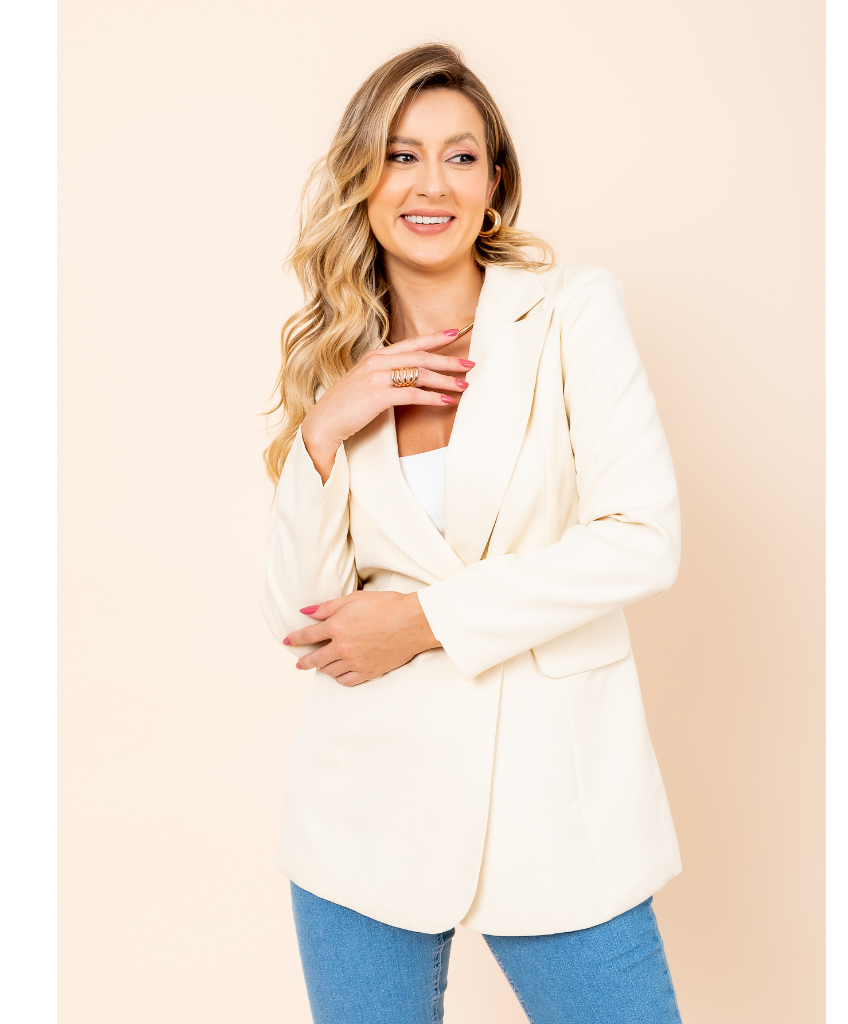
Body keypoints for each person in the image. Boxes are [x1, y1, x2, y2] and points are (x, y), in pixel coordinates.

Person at [262, 42, 684, 1024]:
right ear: (363, 179)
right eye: (401, 155)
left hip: (559, 799)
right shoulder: (336, 357)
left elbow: (640, 536)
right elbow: (301, 614)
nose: (431, 184)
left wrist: (422, 621)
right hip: (363, 808)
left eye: (460, 156)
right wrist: (324, 428)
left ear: (495, 185)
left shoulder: (572, 311)